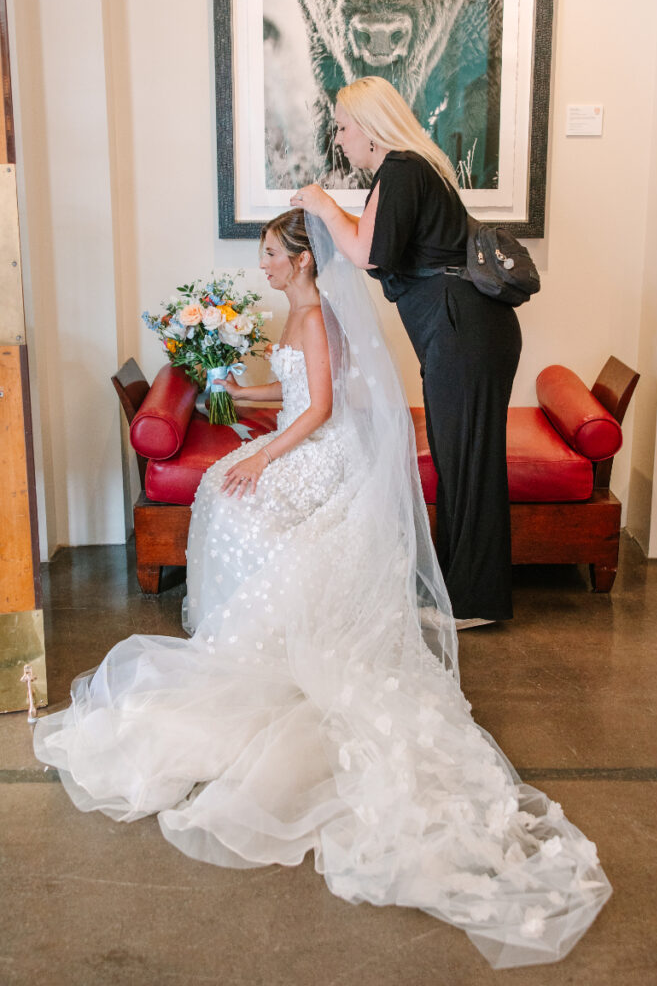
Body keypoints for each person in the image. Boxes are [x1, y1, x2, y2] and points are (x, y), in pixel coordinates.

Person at [33, 210, 610, 969]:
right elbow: (293, 400)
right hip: (310, 437)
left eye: (272, 254)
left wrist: (267, 456)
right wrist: (233, 408)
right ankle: (242, 618)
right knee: (218, 487)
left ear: (303, 261)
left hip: (328, 449)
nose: (264, 266)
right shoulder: (300, 309)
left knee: (233, 498)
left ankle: (258, 629)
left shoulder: (313, 313)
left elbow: (323, 410)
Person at [291, 76, 522, 627]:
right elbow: (372, 241)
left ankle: (474, 603)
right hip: (461, 329)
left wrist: (323, 206)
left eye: (344, 127)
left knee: (467, 463)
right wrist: (332, 213)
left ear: (369, 128)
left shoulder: (402, 170)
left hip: (461, 330)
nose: (339, 138)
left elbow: (370, 255)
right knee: (458, 458)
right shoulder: (409, 170)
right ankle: (466, 590)